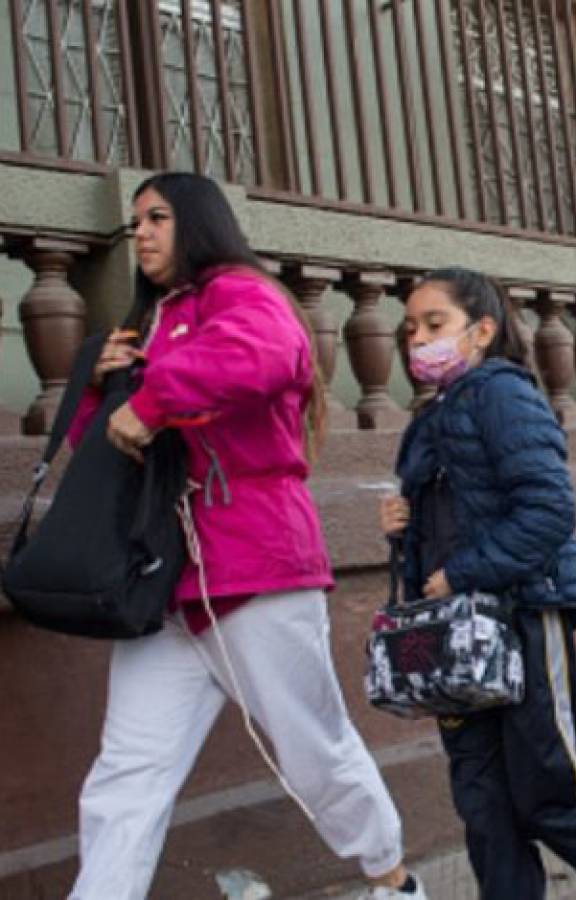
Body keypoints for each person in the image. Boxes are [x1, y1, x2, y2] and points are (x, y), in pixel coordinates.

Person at [68, 173, 425, 900]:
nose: (140, 233)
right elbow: (105, 452)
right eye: (135, 222)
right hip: (165, 582)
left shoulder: (237, 290)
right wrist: (102, 393)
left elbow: (268, 354)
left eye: (158, 217)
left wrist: (156, 394)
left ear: (198, 222)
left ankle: (395, 883)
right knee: (126, 774)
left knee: (313, 749)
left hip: (255, 568)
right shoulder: (154, 319)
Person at [377, 267, 576, 900]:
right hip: (453, 639)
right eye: (410, 329)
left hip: (522, 613)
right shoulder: (427, 421)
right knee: (483, 804)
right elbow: (446, 525)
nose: (418, 341)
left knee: (543, 785)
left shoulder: (503, 396)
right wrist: (400, 530)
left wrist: (460, 573)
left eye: (436, 325)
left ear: (482, 331)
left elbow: (548, 510)